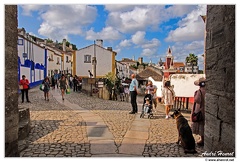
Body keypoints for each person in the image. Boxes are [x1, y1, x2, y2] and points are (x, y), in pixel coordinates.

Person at [190, 77, 206, 146]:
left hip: (200, 109)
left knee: (201, 124)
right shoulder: (208, 91)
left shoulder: (199, 91)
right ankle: (203, 138)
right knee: (204, 124)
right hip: (205, 109)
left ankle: (202, 139)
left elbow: (197, 100)